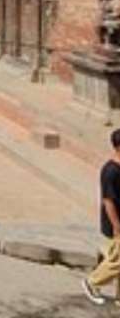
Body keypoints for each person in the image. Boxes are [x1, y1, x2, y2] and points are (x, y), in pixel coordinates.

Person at [85, 129, 120, 305]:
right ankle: (92, 282)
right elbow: (108, 201)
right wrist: (116, 225)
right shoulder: (110, 171)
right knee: (117, 261)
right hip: (115, 222)